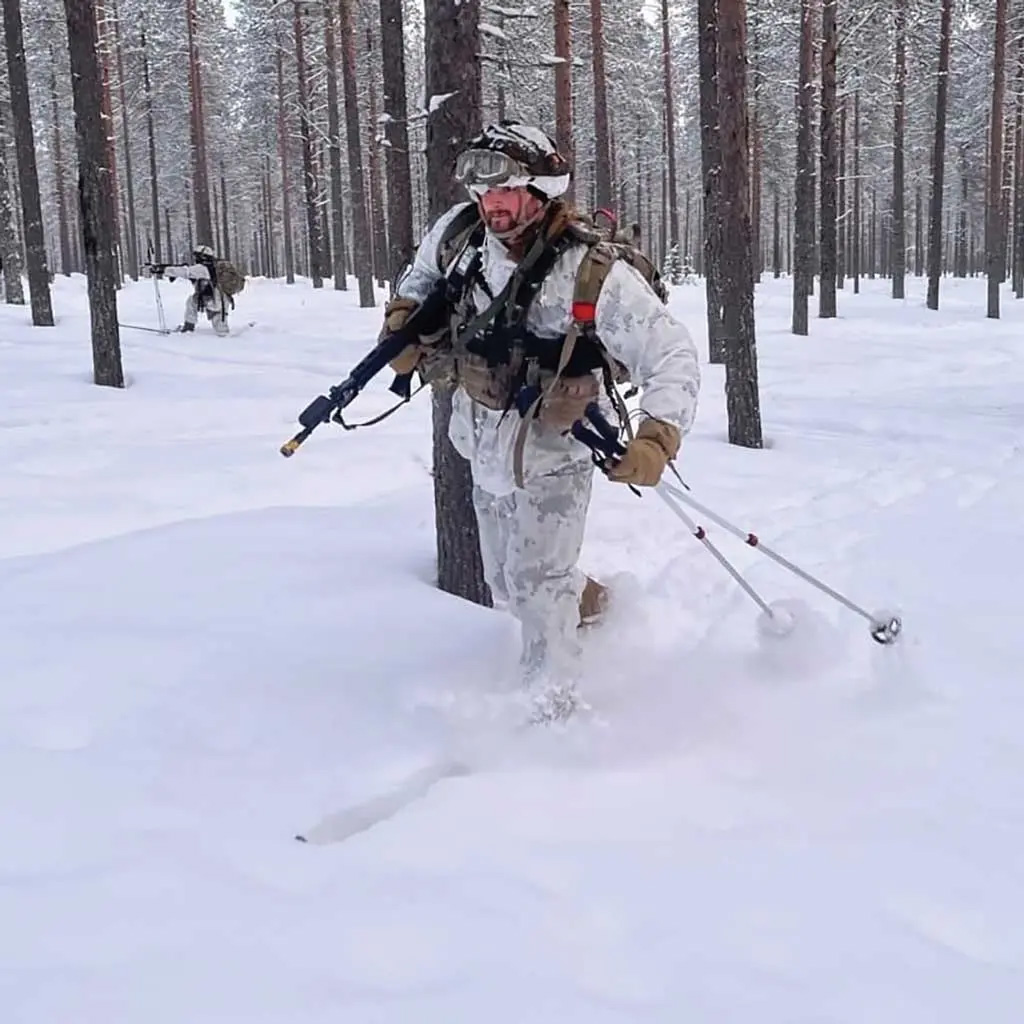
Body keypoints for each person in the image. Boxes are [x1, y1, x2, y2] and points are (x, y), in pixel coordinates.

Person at [381, 120, 701, 714]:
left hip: (559, 445)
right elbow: (421, 278)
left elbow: (671, 353)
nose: (491, 202)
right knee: (506, 582)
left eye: (506, 189)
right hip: (480, 435)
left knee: (538, 582)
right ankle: (595, 606)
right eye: (481, 189)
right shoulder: (458, 236)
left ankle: (549, 711)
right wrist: (401, 318)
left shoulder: (590, 272)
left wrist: (659, 435)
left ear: (541, 190)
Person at [141, 245, 237, 336]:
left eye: (197, 256)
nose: (195, 259)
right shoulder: (214, 267)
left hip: (213, 301)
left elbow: (185, 272)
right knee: (221, 329)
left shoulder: (202, 268)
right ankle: (230, 341)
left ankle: (188, 328)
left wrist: (162, 269)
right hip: (224, 300)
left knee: (191, 302)